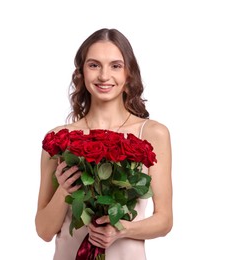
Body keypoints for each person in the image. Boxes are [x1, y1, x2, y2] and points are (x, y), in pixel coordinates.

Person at [35, 28, 173, 260]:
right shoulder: (59, 139)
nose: (104, 76)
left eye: (115, 66)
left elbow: (165, 220)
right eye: (94, 65)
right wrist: (63, 190)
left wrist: (122, 229)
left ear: (129, 74)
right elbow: (44, 231)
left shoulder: (152, 134)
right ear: (81, 73)